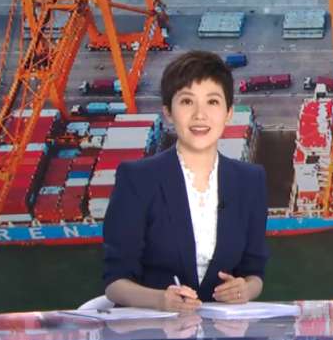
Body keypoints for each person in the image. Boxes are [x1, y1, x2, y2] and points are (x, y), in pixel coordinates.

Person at [103, 50, 270, 312]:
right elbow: (115, 282)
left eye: (212, 102)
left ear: (228, 112)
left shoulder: (251, 180)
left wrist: (244, 289)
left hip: (223, 331)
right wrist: (160, 300)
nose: (200, 115)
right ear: (168, 112)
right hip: (151, 329)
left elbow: (255, 273)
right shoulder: (137, 179)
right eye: (187, 101)